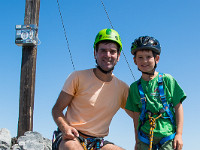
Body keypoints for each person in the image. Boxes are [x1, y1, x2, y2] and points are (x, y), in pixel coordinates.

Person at [52, 28, 129, 150]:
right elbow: (56, 109)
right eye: (103, 50)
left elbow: (138, 115)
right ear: (95, 53)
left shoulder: (123, 88)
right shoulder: (77, 77)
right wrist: (65, 128)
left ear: (118, 56)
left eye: (112, 51)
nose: (108, 55)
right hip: (71, 137)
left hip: (97, 142)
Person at [125, 36, 186, 150]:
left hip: (167, 135)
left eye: (148, 57)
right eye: (140, 57)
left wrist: (179, 134)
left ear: (156, 58)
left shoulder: (167, 79)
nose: (144, 61)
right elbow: (136, 117)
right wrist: (137, 141)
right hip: (145, 137)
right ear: (134, 60)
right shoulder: (134, 87)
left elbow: (178, 106)